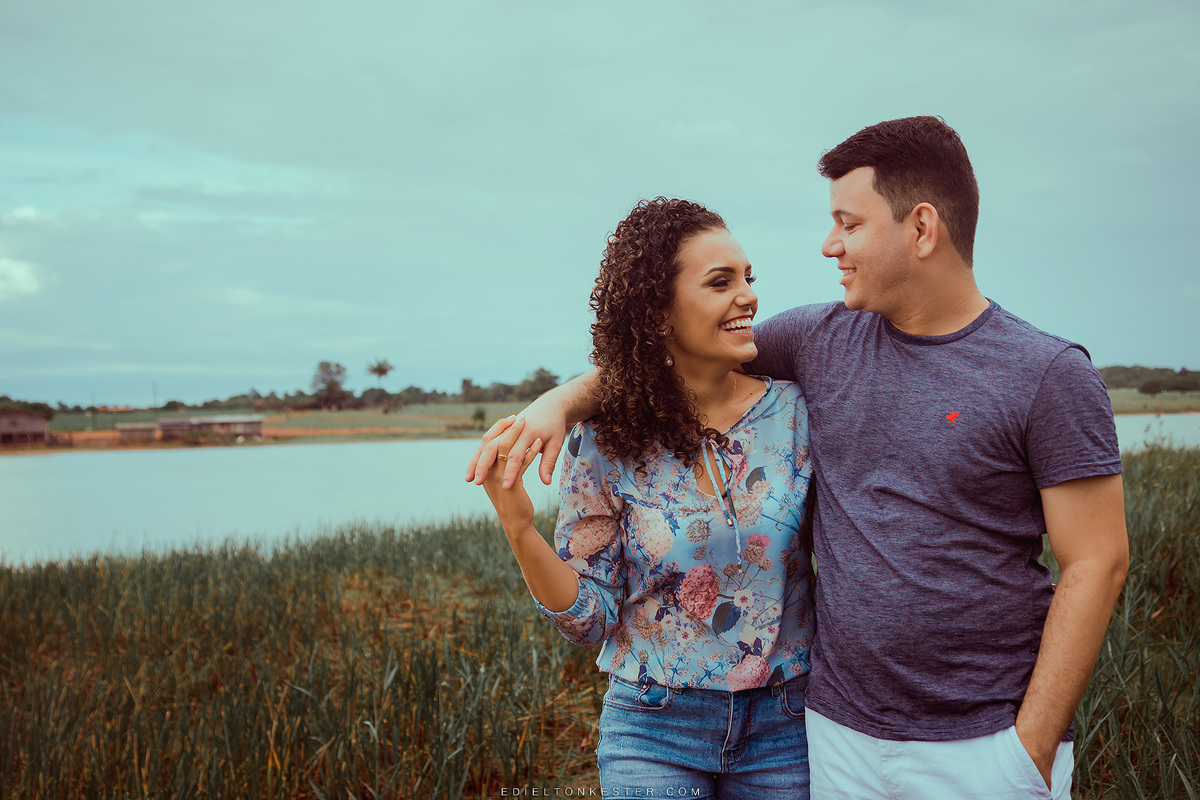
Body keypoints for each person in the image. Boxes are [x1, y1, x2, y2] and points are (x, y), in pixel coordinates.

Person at [469, 117, 1129, 800]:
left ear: (922, 228)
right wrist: (559, 405)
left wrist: (1030, 749)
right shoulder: (822, 341)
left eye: (848, 223)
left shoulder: (1046, 372)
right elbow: (666, 362)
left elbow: (1098, 562)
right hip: (835, 738)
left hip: (974, 749)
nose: (828, 245)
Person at [478, 197, 816, 799]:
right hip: (653, 728)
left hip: (787, 725)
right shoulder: (607, 436)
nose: (748, 297)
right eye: (720, 282)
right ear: (659, 314)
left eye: (747, 278)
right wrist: (521, 530)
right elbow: (591, 619)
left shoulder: (796, 415)